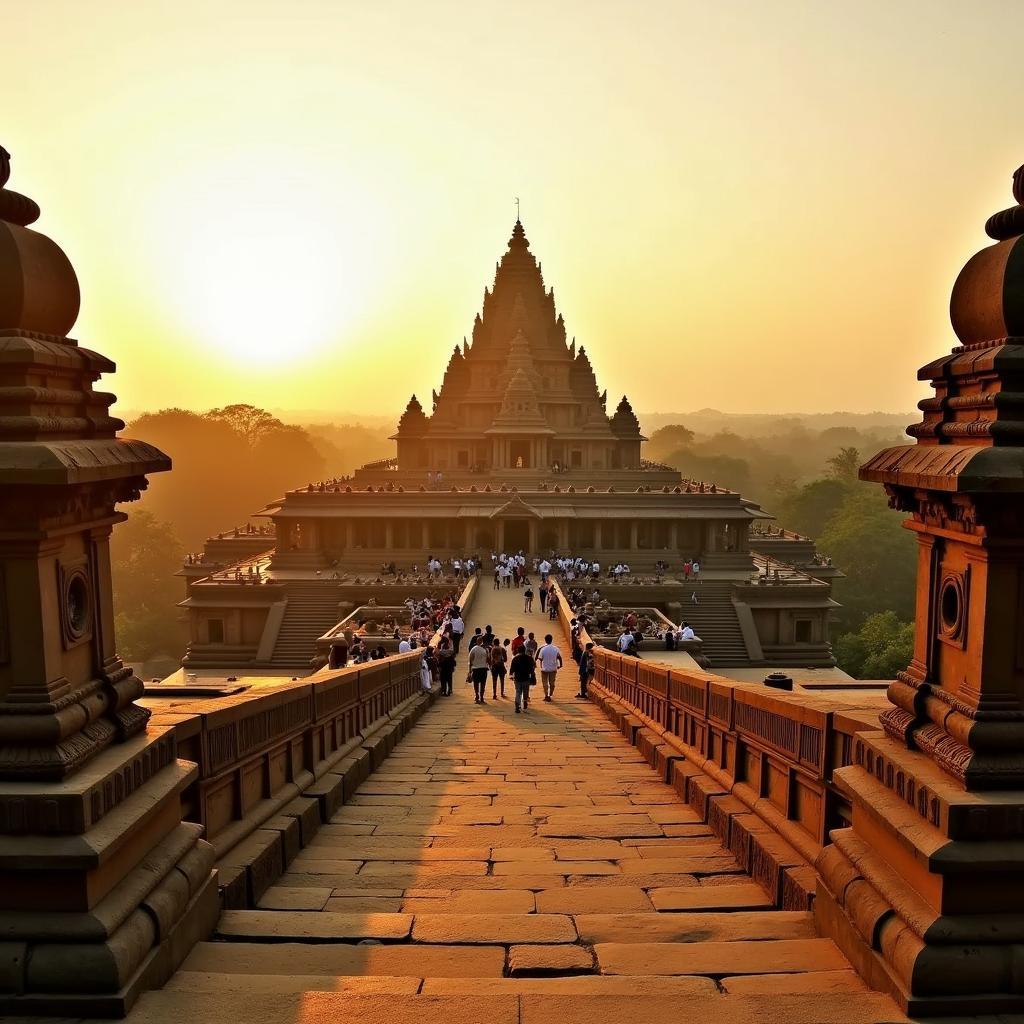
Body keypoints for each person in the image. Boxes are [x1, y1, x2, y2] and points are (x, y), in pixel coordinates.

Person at [535, 633, 563, 702]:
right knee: (552, 683)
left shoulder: (543, 649)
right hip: (553, 668)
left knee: (545, 683)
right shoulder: (556, 648)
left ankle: (546, 695)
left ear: (545, 640)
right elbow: (559, 657)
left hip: (544, 669)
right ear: (551, 640)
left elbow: (540, 659)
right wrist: (560, 665)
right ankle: (550, 694)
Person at [509, 639, 535, 713]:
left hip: (517, 678)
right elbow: (531, 668)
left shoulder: (515, 658)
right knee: (525, 691)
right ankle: (525, 703)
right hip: (526, 678)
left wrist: (511, 675)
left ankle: (517, 706)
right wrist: (532, 675)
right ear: (525, 650)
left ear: (518, 650)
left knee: (518, 692)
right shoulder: (529, 658)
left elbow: (512, 669)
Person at [468, 637, 490, 704]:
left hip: (476, 669)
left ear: (477, 642)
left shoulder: (473, 649)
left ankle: (477, 696)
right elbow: (488, 660)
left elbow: (470, 660)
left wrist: (469, 671)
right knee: (483, 684)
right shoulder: (485, 649)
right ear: (482, 642)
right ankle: (482, 697)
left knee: (476, 684)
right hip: (483, 669)